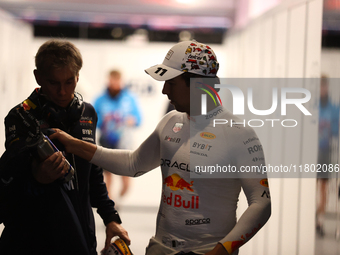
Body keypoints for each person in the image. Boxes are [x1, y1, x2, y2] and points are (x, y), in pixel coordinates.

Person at [50, 40, 271, 255]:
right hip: (160, 247)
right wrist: (72, 144)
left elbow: (261, 203)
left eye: (171, 83)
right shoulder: (170, 122)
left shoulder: (239, 134)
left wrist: (222, 250)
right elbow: (133, 163)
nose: (165, 91)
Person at [0, 39, 130, 255]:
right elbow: (10, 178)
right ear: (38, 77)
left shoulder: (87, 113)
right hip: (30, 238)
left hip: (80, 234)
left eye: (69, 82)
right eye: (53, 83)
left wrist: (111, 218)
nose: (62, 91)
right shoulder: (19, 117)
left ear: (78, 76)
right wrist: (37, 176)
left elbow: (94, 172)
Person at [94, 70, 141, 200]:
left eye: (117, 81)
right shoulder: (100, 99)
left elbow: (138, 119)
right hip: (106, 140)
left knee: (126, 179)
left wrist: (131, 120)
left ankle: (119, 199)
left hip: (124, 142)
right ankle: (110, 203)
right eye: (112, 81)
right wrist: (106, 121)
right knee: (107, 175)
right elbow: (92, 120)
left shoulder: (130, 98)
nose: (114, 84)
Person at [316, 75, 339, 237]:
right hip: (311, 153)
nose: (322, 89)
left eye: (324, 86)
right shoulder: (311, 106)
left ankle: (320, 220)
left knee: (323, 188)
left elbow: (336, 132)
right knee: (311, 188)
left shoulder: (333, 108)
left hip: (325, 153)